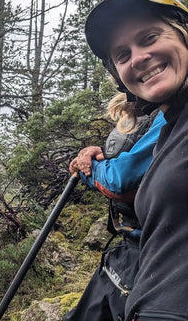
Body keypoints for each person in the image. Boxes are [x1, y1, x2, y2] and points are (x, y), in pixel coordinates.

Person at [84, 0, 188, 320]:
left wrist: (89, 169)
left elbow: (121, 178)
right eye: (122, 54)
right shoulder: (170, 125)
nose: (139, 57)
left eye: (150, 37)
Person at [63, 94, 165, 321]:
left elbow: (121, 181)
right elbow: (137, 156)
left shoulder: (173, 114)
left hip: (152, 248)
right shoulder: (159, 112)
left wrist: (91, 170)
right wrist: (103, 153)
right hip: (134, 243)